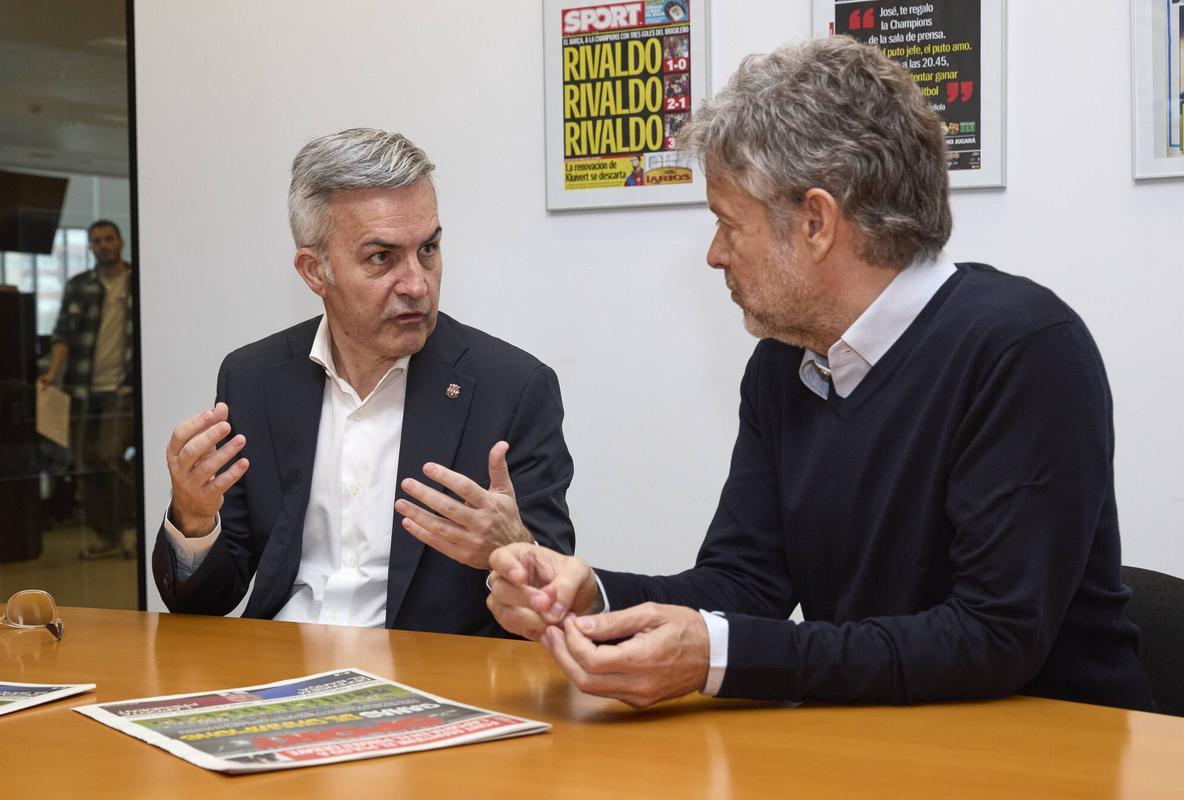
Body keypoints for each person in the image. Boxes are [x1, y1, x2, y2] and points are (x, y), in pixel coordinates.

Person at [482, 38, 1156, 711]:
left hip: (1051, 749)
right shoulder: (784, 362)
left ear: (815, 221)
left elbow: (992, 637)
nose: (715, 255)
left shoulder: (1023, 348)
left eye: (728, 224)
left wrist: (718, 657)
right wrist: (591, 595)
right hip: (877, 739)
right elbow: (746, 583)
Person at [152, 129, 574, 635]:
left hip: (427, 680)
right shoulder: (252, 379)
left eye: (429, 250)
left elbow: (553, 600)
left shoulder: (512, 388)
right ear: (315, 271)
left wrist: (513, 549)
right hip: (279, 674)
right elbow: (206, 604)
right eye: (382, 258)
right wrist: (195, 518)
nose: (417, 283)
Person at [40, 220, 136, 560]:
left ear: (121, 242)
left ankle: (146, 520)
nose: (103, 245)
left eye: (108, 238)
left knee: (109, 456)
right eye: (96, 241)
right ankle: (109, 537)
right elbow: (62, 334)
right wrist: (52, 373)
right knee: (83, 464)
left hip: (124, 389)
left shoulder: (137, 282)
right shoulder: (79, 286)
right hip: (83, 389)